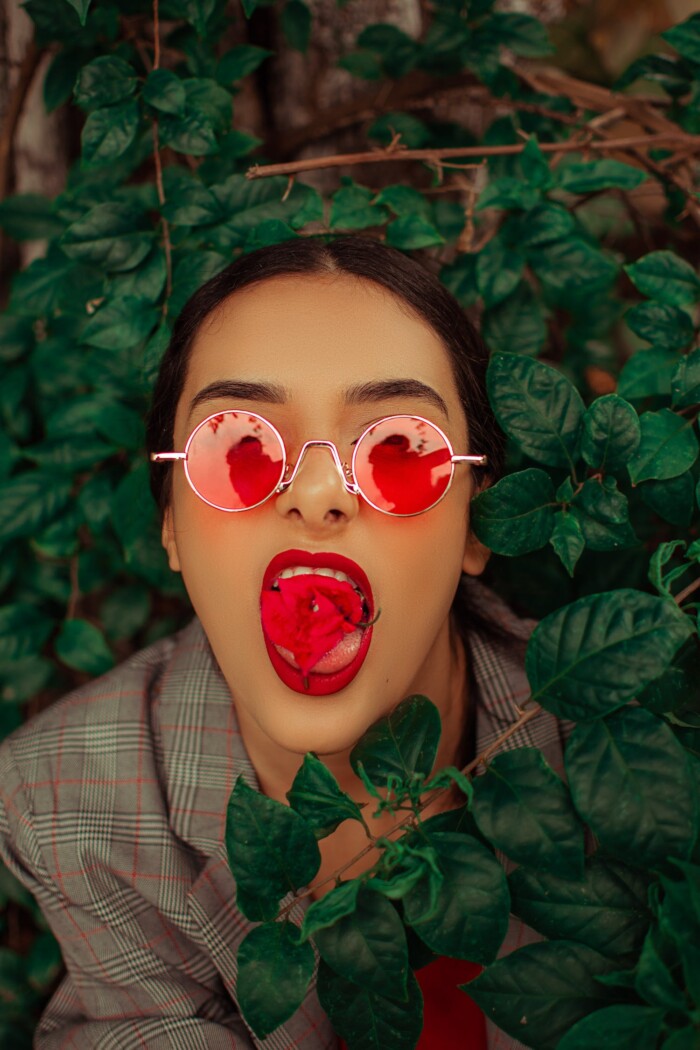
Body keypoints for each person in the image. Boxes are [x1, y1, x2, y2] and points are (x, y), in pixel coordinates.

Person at [0, 237, 568, 1050]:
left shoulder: (624, 746)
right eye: (239, 447)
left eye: (397, 449)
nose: (316, 494)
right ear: (170, 525)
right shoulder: (69, 800)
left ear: (475, 524)